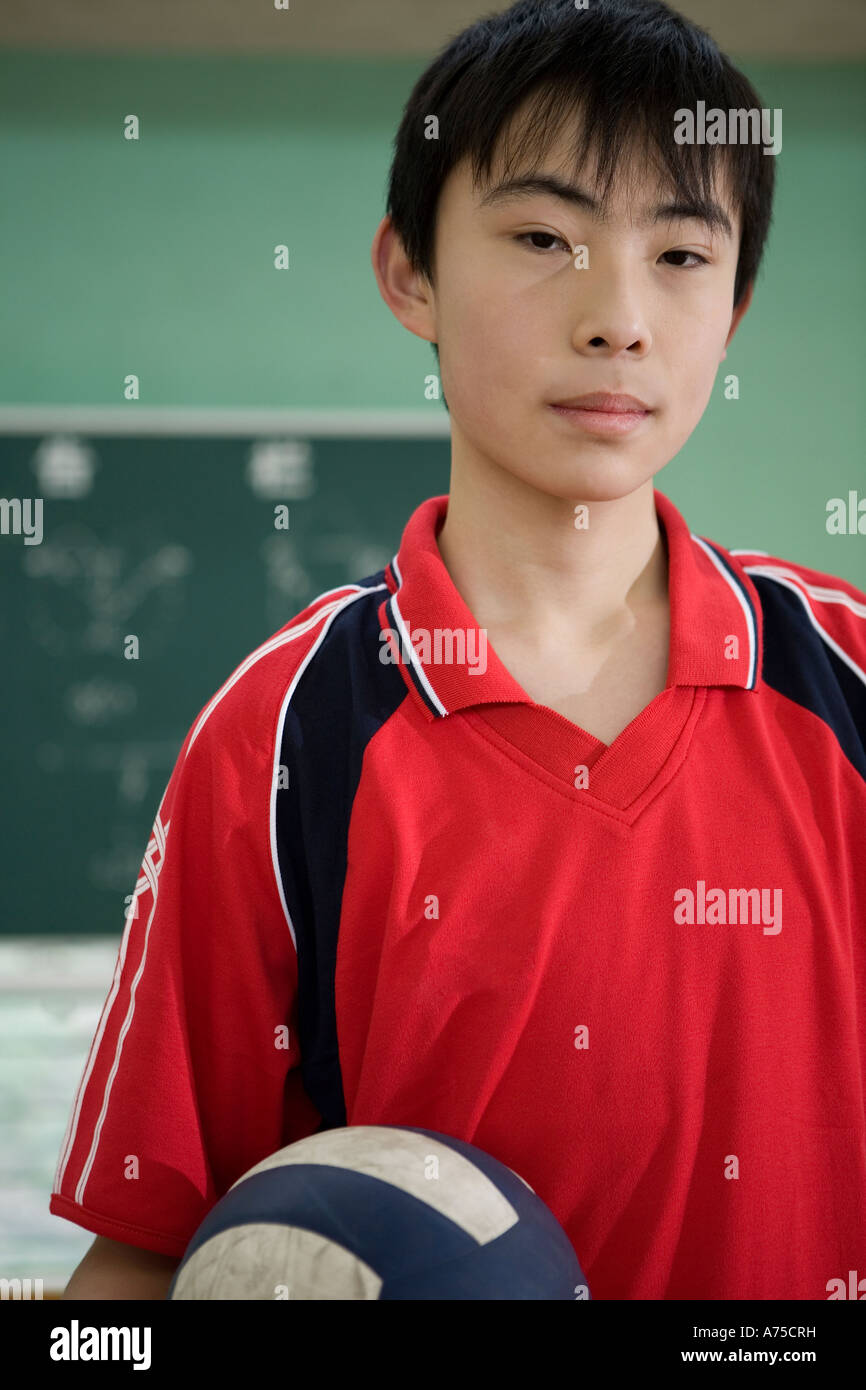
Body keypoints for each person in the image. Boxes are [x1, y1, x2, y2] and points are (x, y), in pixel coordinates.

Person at [53, 0, 865, 1300]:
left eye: (678, 255)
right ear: (408, 272)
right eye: (544, 237)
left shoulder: (848, 677)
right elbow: (137, 1266)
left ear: (736, 306)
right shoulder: (282, 732)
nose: (617, 318)